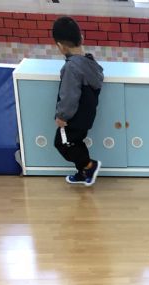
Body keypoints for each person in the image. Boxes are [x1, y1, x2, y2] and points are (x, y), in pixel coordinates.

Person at [51, 16, 104, 186]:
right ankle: (83, 172)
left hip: (73, 118)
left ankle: (89, 166)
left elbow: (69, 96)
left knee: (62, 143)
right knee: (75, 142)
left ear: (60, 46)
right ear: (82, 38)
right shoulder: (90, 63)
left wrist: (62, 116)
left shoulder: (71, 68)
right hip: (86, 116)